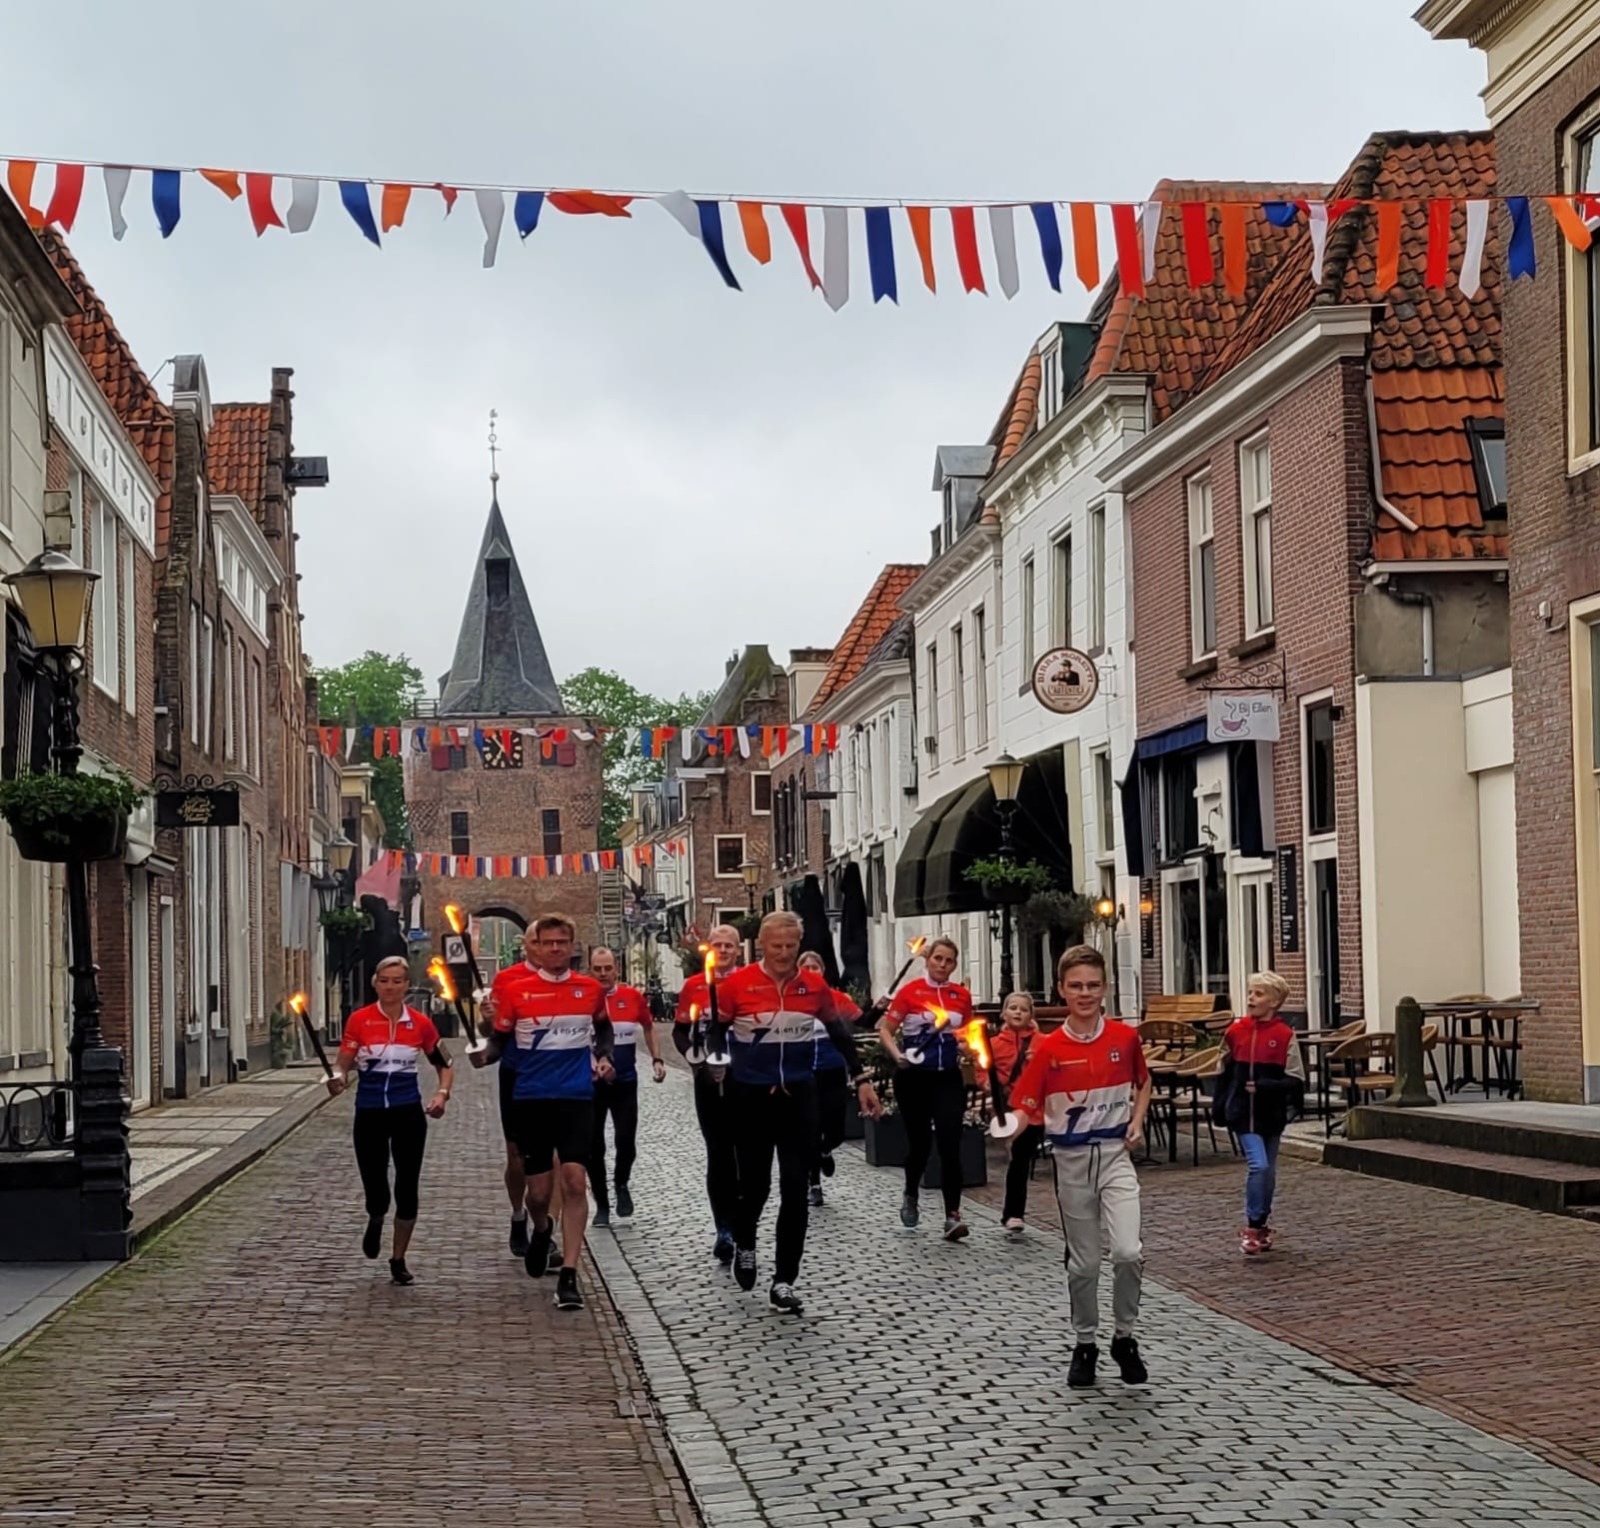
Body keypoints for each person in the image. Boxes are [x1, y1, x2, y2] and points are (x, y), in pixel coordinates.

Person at [711, 911, 882, 1314]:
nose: (785, 954)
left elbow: (840, 1032)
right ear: (762, 947)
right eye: (777, 947)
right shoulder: (737, 985)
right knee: (755, 1185)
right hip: (751, 1096)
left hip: (798, 1096)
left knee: (794, 1189)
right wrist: (716, 1057)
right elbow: (715, 1030)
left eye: (791, 946)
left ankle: (785, 1279)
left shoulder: (814, 987)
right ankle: (746, 1242)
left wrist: (861, 1079)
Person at [1009, 944, 1152, 1388]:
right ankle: (1085, 1343)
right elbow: (1023, 1107)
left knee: (1129, 1252)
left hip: (1114, 1157)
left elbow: (1144, 1083)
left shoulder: (1125, 1039)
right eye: (1076, 986)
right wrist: (1004, 1128)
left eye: (1092, 985)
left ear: (1105, 989)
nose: (1085, 993)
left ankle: (1124, 1336)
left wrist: (1138, 1120)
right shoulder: (1047, 1049)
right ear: (1061, 990)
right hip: (1070, 1163)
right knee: (1084, 1265)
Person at [473, 913, 613, 1311]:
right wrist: (485, 1055)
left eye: (561, 943)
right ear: (535, 946)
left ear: (572, 946)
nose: (555, 949)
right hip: (531, 1097)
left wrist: (603, 1056)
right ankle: (540, 1225)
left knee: (573, 1179)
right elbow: (500, 1041)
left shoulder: (589, 989)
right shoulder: (517, 990)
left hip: (575, 1097)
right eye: (547, 943)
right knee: (538, 1191)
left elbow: (602, 1028)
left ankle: (569, 1275)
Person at [328, 955, 454, 1286]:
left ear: (407, 985)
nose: (390, 987)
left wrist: (442, 1093)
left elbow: (444, 1062)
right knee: (375, 1183)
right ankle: (375, 1214)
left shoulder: (421, 1024)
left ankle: (398, 1258)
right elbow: (343, 1062)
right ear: (375, 983)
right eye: (384, 980)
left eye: (397, 980)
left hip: (407, 1111)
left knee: (407, 1185)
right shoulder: (359, 1020)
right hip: (369, 1111)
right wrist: (337, 1077)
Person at [877, 936, 974, 1240]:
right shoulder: (910, 993)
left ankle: (953, 1214)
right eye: (938, 959)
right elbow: (886, 1031)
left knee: (949, 1142)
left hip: (947, 1077)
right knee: (919, 1143)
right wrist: (898, 1056)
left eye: (949, 961)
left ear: (955, 964)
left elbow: (968, 1032)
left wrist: (970, 1049)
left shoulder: (961, 995)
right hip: (914, 1078)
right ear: (928, 960)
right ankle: (910, 1192)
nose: (943, 965)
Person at [485, 929, 567, 1270]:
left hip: (557, 1074)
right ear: (526, 946)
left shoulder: (567, 980)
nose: (545, 948)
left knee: (558, 1158)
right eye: (536, 942)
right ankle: (519, 1213)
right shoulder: (507, 980)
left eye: (550, 942)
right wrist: (485, 1019)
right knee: (517, 1157)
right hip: (518, 1074)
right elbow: (491, 1035)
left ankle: (545, 1232)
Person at [1212, 971, 1305, 1255]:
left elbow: (1296, 1078)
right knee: (1259, 1165)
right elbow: (1221, 1070)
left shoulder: (1285, 1036)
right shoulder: (1235, 1032)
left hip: (1271, 1113)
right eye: (1251, 992)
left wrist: (1265, 1086)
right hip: (1242, 1113)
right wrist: (1222, 1106)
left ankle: (1262, 1223)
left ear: (1274, 1002)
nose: (1251, 998)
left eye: (1259, 994)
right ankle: (1253, 1225)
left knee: (1270, 1171)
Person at [674, 922, 744, 1264]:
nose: (723, 950)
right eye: (717, 945)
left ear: (739, 950)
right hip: (709, 1081)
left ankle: (745, 1222)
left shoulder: (751, 982)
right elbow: (680, 1031)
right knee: (718, 1154)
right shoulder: (693, 986)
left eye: (729, 945)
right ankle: (724, 1228)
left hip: (747, 1080)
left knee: (745, 1155)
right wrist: (695, 1058)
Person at [587, 945, 666, 1227]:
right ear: (590, 970)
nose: (603, 974)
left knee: (626, 1141)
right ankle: (602, 1204)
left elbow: (648, 1026)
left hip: (625, 1081)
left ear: (616, 969)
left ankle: (621, 1182)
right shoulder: (583, 997)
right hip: (592, 1083)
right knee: (594, 1146)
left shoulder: (631, 997)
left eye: (608, 968)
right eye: (597, 969)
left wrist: (657, 1058)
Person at [798, 951, 861, 1207]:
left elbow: (863, 1020)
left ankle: (826, 1150)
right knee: (810, 1128)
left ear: (823, 970)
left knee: (835, 1129)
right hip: (804, 1072)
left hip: (833, 1069)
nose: (812, 971)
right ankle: (814, 1184)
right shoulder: (793, 999)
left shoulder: (836, 998)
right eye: (807, 967)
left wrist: (881, 1006)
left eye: (816, 967)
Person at [986, 992, 1043, 1238]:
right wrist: (989, 1084)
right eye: (1013, 1008)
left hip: (1037, 1110)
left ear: (1031, 1015)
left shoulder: (1043, 1041)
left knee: (1026, 1156)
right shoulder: (995, 1044)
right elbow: (983, 1068)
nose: (1018, 1012)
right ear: (1004, 1013)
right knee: (1019, 1159)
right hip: (1010, 1107)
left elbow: (1054, 1067)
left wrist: (1037, 1061)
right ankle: (1013, 1214)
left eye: (1023, 1009)